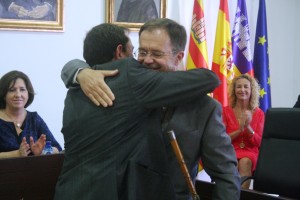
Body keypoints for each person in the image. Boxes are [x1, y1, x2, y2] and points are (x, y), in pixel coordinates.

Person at [61, 18, 241, 200]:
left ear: (178, 57)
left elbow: (226, 175)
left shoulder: (204, 108)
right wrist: (79, 71)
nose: (146, 60)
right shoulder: (120, 90)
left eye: (156, 53)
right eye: (142, 51)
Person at [0, 70, 62, 159]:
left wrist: (42, 152)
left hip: (33, 172)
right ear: (3, 94)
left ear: (28, 94)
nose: (18, 95)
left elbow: (57, 148)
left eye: (22, 90)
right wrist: (17, 154)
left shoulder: (34, 118)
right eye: (12, 90)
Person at [222, 74, 265, 189]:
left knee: (245, 162)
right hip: (230, 150)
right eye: (239, 87)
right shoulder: (225, 111)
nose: (242, 90)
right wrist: (239, 130)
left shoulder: (259, 113)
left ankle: (242, 196)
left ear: (251, 90)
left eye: (246, 87)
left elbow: (260, 142)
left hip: (250, 151)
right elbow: (221, 139)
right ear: (234, 90)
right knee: (232, 163)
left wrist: (248, 129)